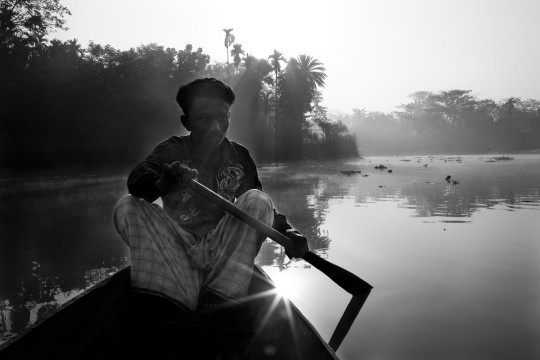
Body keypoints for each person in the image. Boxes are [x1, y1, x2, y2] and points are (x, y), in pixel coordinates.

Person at [113, 77, 308, 312]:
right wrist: (162, 183)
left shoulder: (240, 156)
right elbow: (137, 179)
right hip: (177, 248)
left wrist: (287, 231)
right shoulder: (172, 149)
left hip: (220, 252)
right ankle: (177, 293)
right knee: (127, 206)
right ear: (187, 122)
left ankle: (220, 293)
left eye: (223, 117)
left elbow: (263, 210)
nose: (216, 127)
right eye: (204, 119)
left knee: (258, 199)